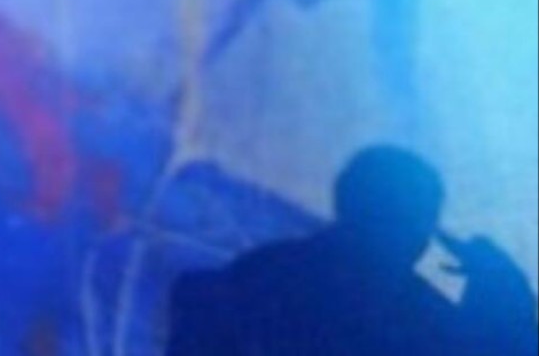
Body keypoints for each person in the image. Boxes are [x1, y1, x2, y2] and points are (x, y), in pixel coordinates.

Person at [168, 146, 538, 356]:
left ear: (344, 202)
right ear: (428, 221)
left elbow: (200, 309)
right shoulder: (441, 294)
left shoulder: (272, 275)